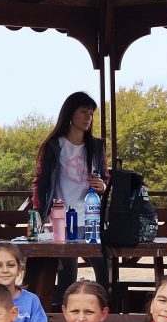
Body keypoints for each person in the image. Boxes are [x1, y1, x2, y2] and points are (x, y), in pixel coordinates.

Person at [31, 91, 109, 303]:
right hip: (62, 220)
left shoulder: (96, 146)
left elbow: (106, 179)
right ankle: (65, 316)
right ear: (70, 114)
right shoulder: (53, 146)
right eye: (83, 112)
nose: (88, 117)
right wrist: (37, 214)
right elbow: (40, 182)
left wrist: (102, 186)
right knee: (67, 275)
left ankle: (106, 314)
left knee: (104, 270)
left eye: (91, 113)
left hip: (92, 218)